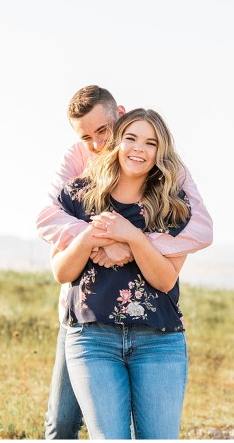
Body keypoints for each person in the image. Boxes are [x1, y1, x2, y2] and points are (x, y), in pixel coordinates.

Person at [36, 85, 213, 439]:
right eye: (88, 136)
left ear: (119, 113)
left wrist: (132, 242)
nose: (98, 143)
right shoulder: (77, 175)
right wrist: (96, 236)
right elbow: (47, 220)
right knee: (63, 423)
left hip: (155, 336)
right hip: (87, 326)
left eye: (103, 131)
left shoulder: (169, 191)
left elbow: (202, 230)